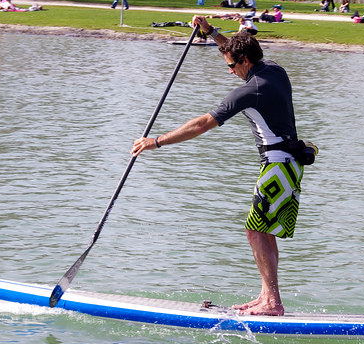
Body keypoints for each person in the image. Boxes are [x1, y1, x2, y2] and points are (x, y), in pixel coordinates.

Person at [131, 20, 309, 317]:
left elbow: (201, 124)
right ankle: (268, 296)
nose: (230, 71)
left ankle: (272, 302)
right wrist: (212, 33)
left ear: (246, 61)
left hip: (277, 166)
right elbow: (235, 49)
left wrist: (156, 141)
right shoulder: (275, 70)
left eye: (231, 66)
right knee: (263, 231)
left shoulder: (248, 91)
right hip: (291, 164)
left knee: (255, 230)